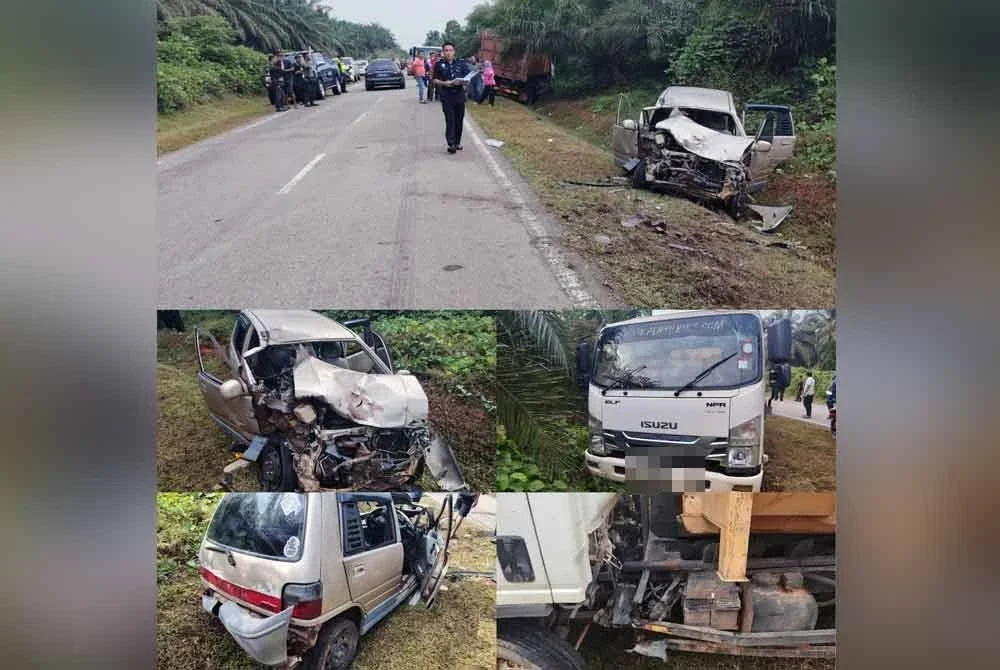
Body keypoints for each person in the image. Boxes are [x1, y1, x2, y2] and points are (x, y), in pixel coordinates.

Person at [432, 42, 471, 153]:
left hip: (459, 95)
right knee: (450, 120)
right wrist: (445, 83)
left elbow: (468, 77)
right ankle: (451, 144)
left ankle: (457, 142)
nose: (448, 52)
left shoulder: (461, 64)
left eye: (450, 50)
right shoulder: (439, 64)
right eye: (446, 50)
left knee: (459, 120)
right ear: (443, 52)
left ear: (454, 51)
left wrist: (464, 83)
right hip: (447, 96)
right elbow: (434, 79)